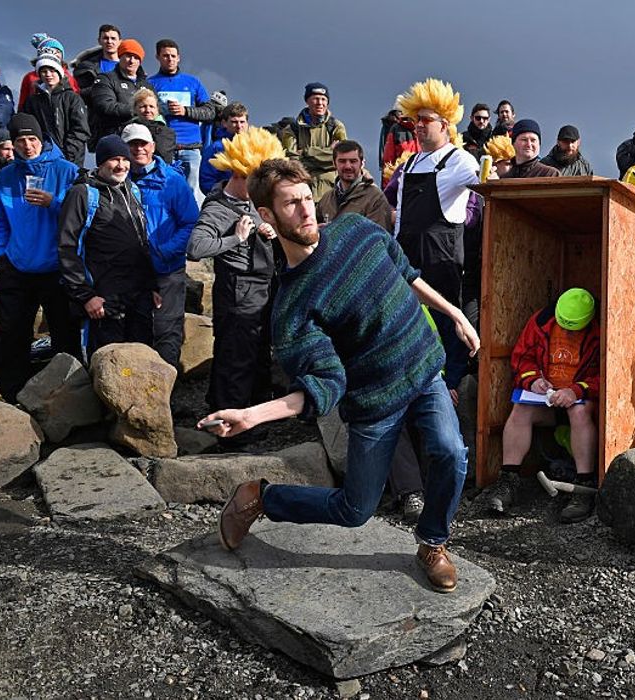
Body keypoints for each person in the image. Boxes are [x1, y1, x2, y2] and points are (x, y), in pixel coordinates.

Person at [203, 157, 479, 594]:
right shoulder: (294, 307)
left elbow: (406, 274)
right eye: (291, 204)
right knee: (355, 510)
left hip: (423, 368)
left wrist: (454, 315)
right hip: (374, 402)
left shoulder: (357, 230)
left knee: (451, 451)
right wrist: (253, 415)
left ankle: (432, 543)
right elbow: (324, 384)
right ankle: (259, 496)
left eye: (307, 198)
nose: (306, 210)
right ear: (266, 214)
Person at [393, 78, 482, 398]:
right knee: (408, 318)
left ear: (444, 125)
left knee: (447, 317)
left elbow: (486, 189)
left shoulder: (460, 160)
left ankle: (452, 382)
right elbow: (400, 215)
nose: (418, 126)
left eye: (425, 120)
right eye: (415, 120)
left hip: (442, 255)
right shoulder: (410, 163)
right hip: (407, 252)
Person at [480, 287, 600, 522]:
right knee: (520, 410)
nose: (567, 332)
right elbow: (522, 357)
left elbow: (606, 374)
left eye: (573, 329)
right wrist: (533, 380)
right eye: (563, 325)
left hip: (579, 398)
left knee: (579, 413)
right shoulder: (541, 321)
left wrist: (576, 390)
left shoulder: (600, 331)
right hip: (546, 398)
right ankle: (508, 480)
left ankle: (583, 486)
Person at [187, 127, 281, 415]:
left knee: (257, 352)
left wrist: (268, 229)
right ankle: (230, 421)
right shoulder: (217, 208)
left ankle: (253, 414)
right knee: (236, 356)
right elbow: (195, 248)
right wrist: (236, 239)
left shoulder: (251, 201)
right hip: (238, 289)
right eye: (256, 181)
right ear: (239, 174)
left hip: (262, 287)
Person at [0, 114, 81, 400]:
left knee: (65, 336)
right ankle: (9, 399)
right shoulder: (5, 177)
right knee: (11, 336)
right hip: (17, 266)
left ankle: (72, 399)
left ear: (42, 139)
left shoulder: (67, 171)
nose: (27, 146)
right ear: (12, 144)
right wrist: (1, 254)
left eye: (32, 139)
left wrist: (55, 203)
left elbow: (84, 214)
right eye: (20, 140)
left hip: (57, 266)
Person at [58, 135, 156, 358]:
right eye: (114, 159)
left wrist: (152, 286)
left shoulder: (132, 190)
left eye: (125, 159)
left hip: (138, 296)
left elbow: (142, 242)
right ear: (101, 162)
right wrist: (85, 296)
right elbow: (67, 247)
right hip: (104, 300)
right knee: (108, 364)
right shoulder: (83, 194)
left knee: (140, 361)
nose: (121, 165)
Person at [123, 123, 198, 369]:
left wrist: (164, 251)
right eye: (132, 144)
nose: (138, 149)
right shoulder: (116, 182)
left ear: (153, 146)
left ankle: (167, 386)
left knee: (167, 330)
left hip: (167, 270)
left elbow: (190, 223)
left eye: (143, 144)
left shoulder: (173, 181)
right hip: (130, 272)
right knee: (135, 331)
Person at [149, 39, 216, 195]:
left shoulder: (193, 82)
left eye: (173, 56)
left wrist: (185, 111)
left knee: (191, 193)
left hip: (190, 148)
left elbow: (210, 112)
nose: (170, 59)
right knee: (164, 192)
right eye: (165, 56)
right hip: (163, 148)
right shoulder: (150, 83)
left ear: (179, 58)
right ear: (158, 57)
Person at [279, 82, 347, 201]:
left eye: (323, 99)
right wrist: (327, 153)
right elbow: (289, 161)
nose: (320, 103)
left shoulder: (336, 126)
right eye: (315, 99)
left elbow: (341, 157)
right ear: (307, 101)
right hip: (301, 193)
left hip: (330, 194)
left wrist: (305, 153)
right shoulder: (292, 129)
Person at [19, 53, 89, 164]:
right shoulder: (32, 101)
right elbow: (28, 129)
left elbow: (81, 130)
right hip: (42, 158)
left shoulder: (72, 98)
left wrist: (67, 155)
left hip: (70, 160)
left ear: (59, 72)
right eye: (44, 71)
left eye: (52, 70)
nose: (48, 75)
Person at [88, 38, 151, 148]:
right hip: (114, 138)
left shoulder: (146, 85)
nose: (132, 61)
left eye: (136, 57)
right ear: (120, 56)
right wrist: (137, 111)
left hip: (141, 141)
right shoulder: (105, 79)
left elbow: (156, 109)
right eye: (128, 56)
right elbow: (105, 106)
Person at [317, 139, 389, 228]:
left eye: (353, 161)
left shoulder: (375, 198)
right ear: (334, 164)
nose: (348, 166)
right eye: (342, 161)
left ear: (362, 164)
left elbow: (379, 234)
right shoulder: (326, 199)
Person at [17, 35, 79, 109]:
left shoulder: (68, 77)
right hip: (37, 112)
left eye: (59, 51)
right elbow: (23, 103)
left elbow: (76, 99)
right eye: (52, 50)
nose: (56, 54)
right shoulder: (30, 77)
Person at [200, 100, 248, 195]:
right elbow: (206, 181)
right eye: (234, 122)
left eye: (242, 122)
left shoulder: (256, 146)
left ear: (247, 123)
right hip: (225, 198)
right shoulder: (216, 148)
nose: (239, 126)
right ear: (224, 123)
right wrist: (225, 193)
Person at [125, 88, 177, 164]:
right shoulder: (126, 129)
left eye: (151, 106)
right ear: (135, 109)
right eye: (143, 106)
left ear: (157, 109)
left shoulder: (167, 132)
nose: (148, 110)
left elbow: (165, 158)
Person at [71, 24, 121, 91]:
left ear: (120, 42)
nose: (109, 41)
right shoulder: (86, 68)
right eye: (105, 38)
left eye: (113, 38)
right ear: (99, 41)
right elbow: (80, 91)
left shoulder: (130, 66)